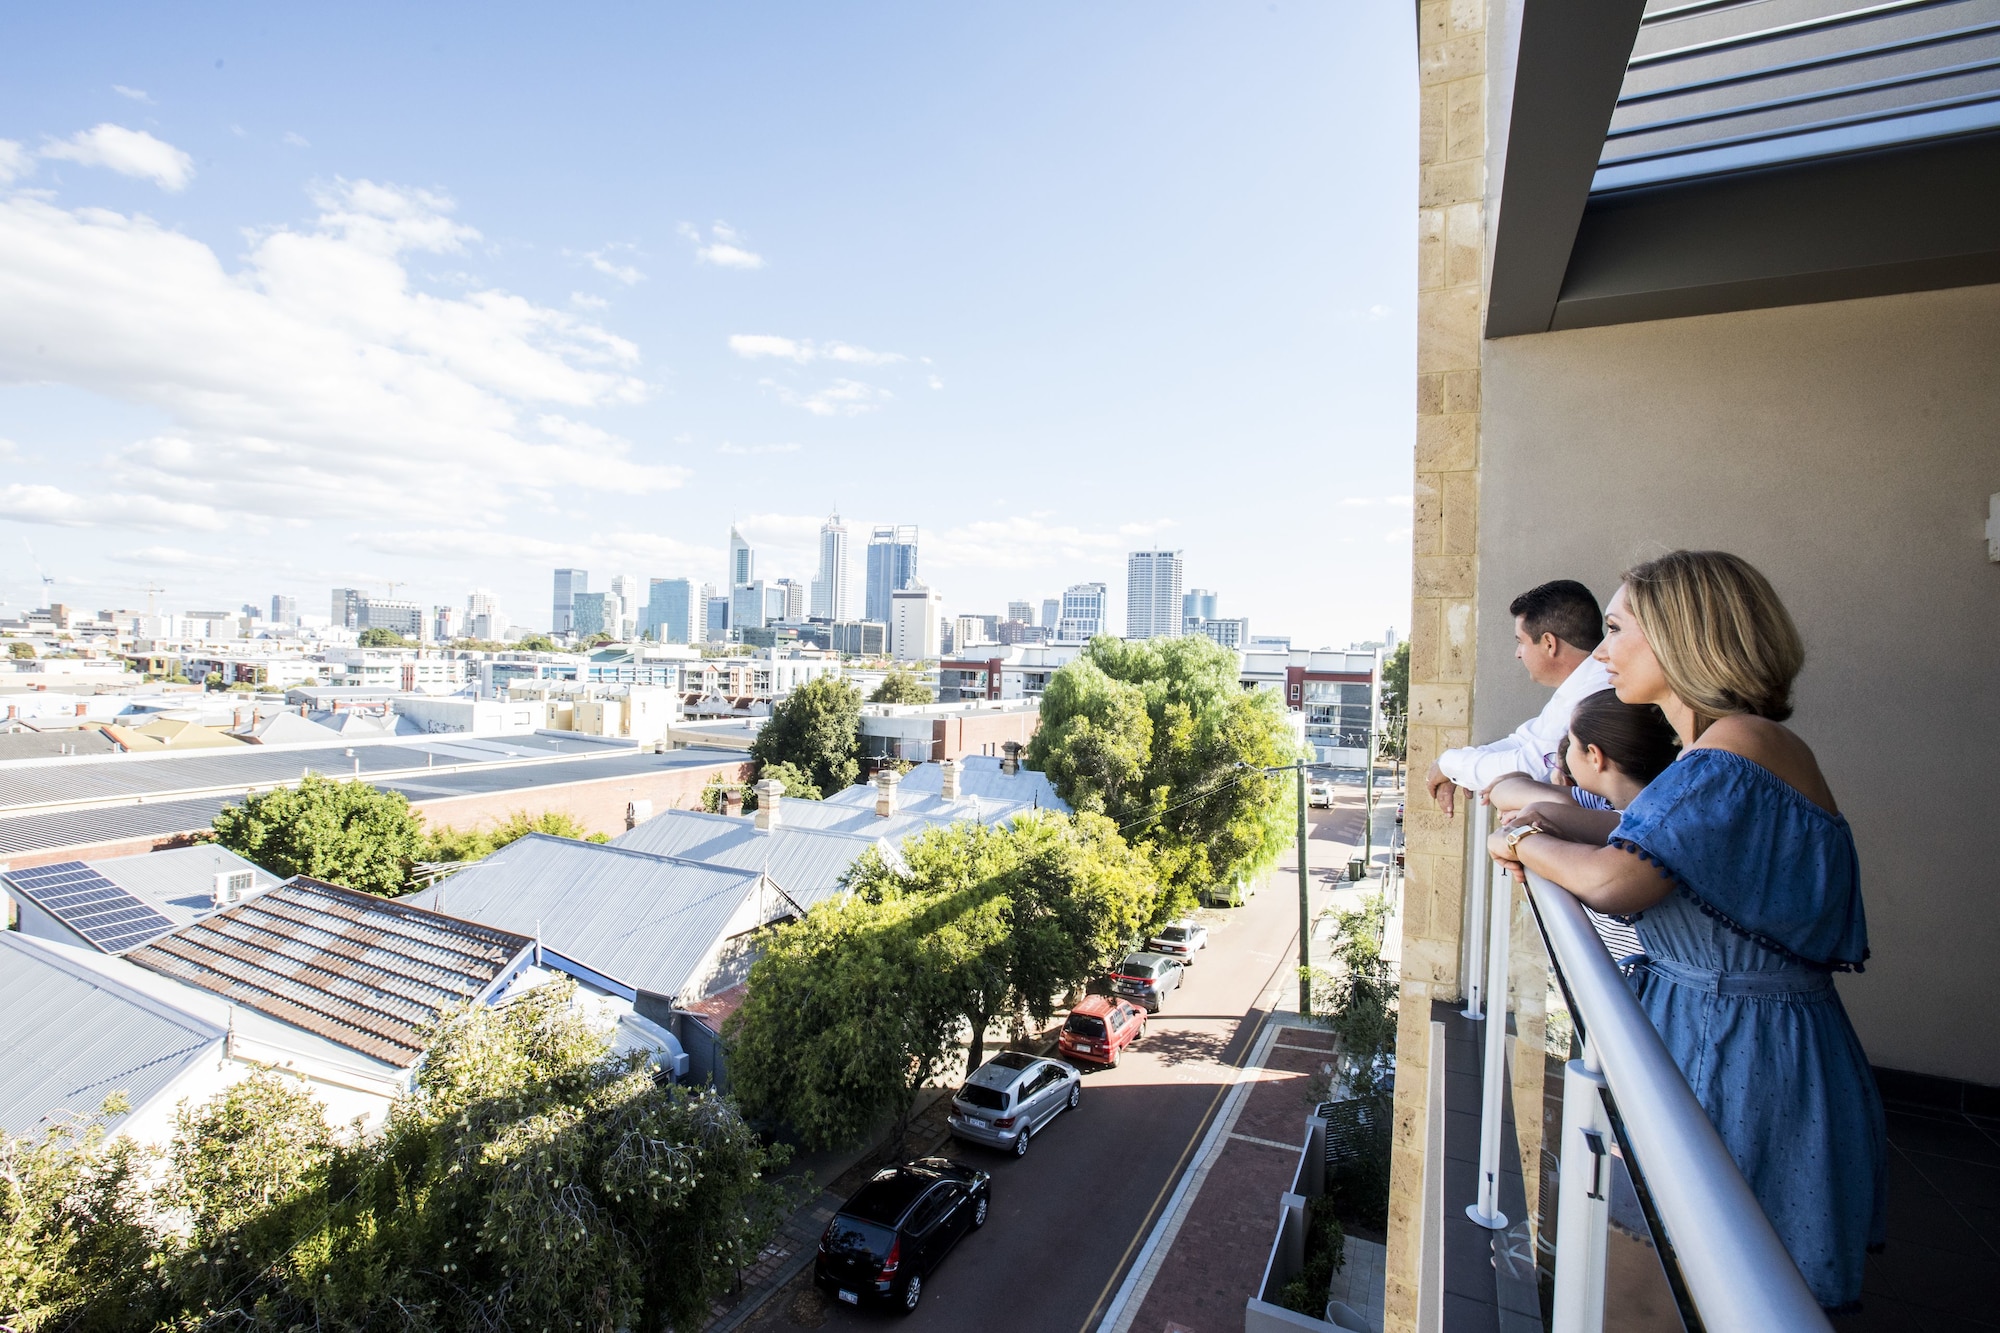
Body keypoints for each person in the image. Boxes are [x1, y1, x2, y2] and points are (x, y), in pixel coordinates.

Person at [1486, 550, 1884, 1311]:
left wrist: (1522, 842)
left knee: (1655, 1296)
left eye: (1615, 628)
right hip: (1751, 1048)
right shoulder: (1734, 749)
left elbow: (1616, 875)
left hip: (1741, 1061)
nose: (1602, 652)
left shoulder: (1732, 751)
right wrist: (1546, 815)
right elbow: (1634, 830)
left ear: (1683, 638)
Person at [1426, 579, 1611, 816]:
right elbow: (1523, 741)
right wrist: (1455, 768)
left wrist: (1449, 764)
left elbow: (1534, 767)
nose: (1518, 654)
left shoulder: (1595, 692)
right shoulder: (1580, 684)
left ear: (1549, 643)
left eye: (1520, 642)